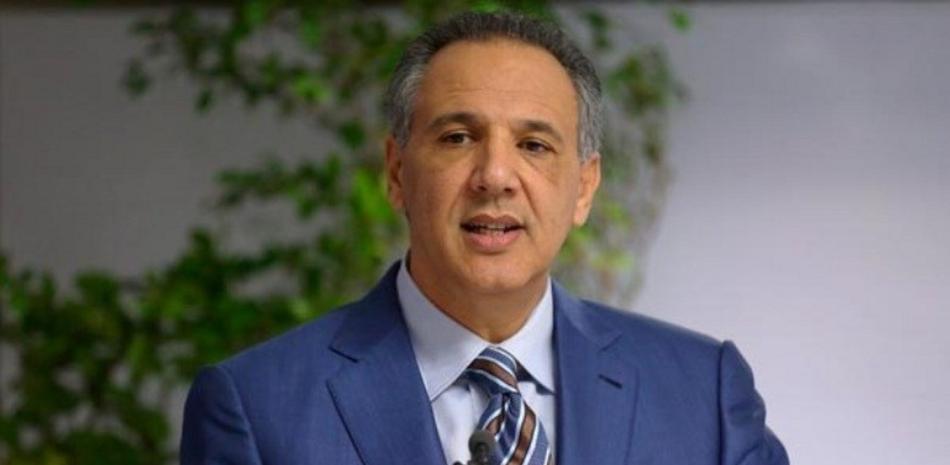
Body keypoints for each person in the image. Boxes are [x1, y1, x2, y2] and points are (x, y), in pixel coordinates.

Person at [180, 11, 788, 465]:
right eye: (458, 138)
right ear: (396, 172)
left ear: (583, 188)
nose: (495, 176)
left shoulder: (703, 394)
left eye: (534, 145)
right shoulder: (256, 408)